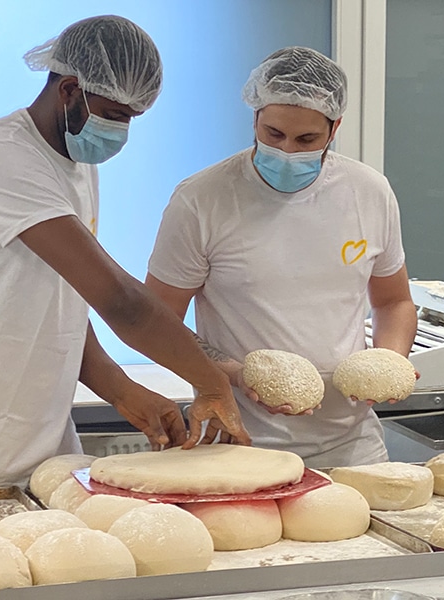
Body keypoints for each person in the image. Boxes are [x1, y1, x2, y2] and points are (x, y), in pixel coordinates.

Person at [0, 15, 250, 494]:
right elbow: (120, 301)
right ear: (70, 89)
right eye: (115, 115)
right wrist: (212, 383)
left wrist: (122, 390)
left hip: (35, 448)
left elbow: (63, 303)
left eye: (131, 119)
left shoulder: (75, 166)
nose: (121, 132)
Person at [145, 46, 417, 468]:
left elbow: (393, 301)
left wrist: (390, 359)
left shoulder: (368, 192)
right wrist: (234, 374)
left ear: (335, 127)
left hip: (353, 446)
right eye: (273, 134)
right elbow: (157, 320)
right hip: (240, 442)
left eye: (306, 139)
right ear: (254, 119)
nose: (288, 150)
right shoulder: (202, 200)